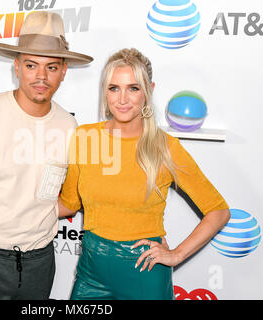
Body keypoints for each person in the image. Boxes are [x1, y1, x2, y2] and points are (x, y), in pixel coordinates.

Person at [0, 11, 93, 300]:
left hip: (40, 262)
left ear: (63, 71)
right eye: (32, 65)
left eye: (51, 67)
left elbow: (67, 199)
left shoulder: (69, 126)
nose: (41, 76)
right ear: (16, 66)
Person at [58, 48, 230, 300]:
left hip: (144, 272)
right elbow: (69, 203)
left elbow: (219, 211)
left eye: (133, 88)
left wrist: (177, 254)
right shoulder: (85, 137)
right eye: (114, 88)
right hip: (90, 273)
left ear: (149, 90)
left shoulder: (165, 147)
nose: (122, 99)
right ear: (104, 92)